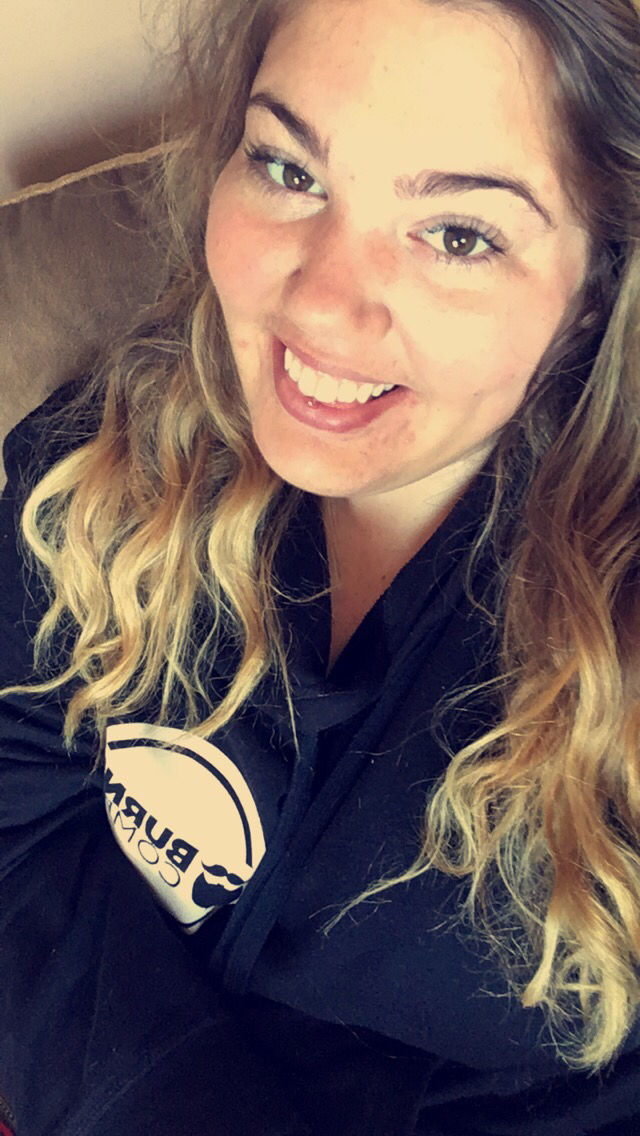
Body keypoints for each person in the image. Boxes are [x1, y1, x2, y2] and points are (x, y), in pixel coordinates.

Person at [1, 0, 640, 1131]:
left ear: (597, 287)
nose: (319, 305)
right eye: (289, 170)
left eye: (459, 234)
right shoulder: (93, 471)